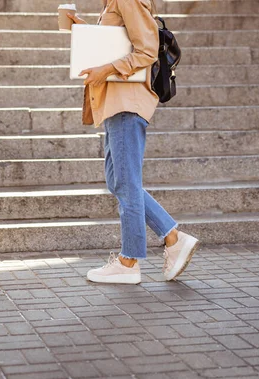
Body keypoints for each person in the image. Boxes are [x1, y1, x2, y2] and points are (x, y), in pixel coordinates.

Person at [67, 0, 199, 284]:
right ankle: (173, 239)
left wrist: (106, 70)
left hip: (127, 102)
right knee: (118, 181)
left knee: (126, 183)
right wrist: (79, 27)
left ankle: (129, 262)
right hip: (115, 103)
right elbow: (113, 43)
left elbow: (148, 49)